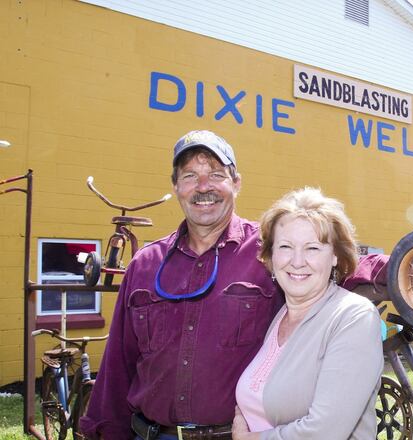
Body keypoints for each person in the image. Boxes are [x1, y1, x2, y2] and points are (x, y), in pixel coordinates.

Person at [80, 130, 386, 440]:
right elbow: (117, 365)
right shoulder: (145, 264)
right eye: (190, 176)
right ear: (176, 187)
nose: (203, 187)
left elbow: (326, 264)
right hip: (154, 434)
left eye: (216, 174)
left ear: (236, 183)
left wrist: (402, 267)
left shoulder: (268, 251)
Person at [232, 187, 383, 439]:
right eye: (285, 246)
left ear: (335, 256)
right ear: (271, 255)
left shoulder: (353, 317)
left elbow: (325, 431)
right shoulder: (282, 315)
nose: (297, 261)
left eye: (312, 248)